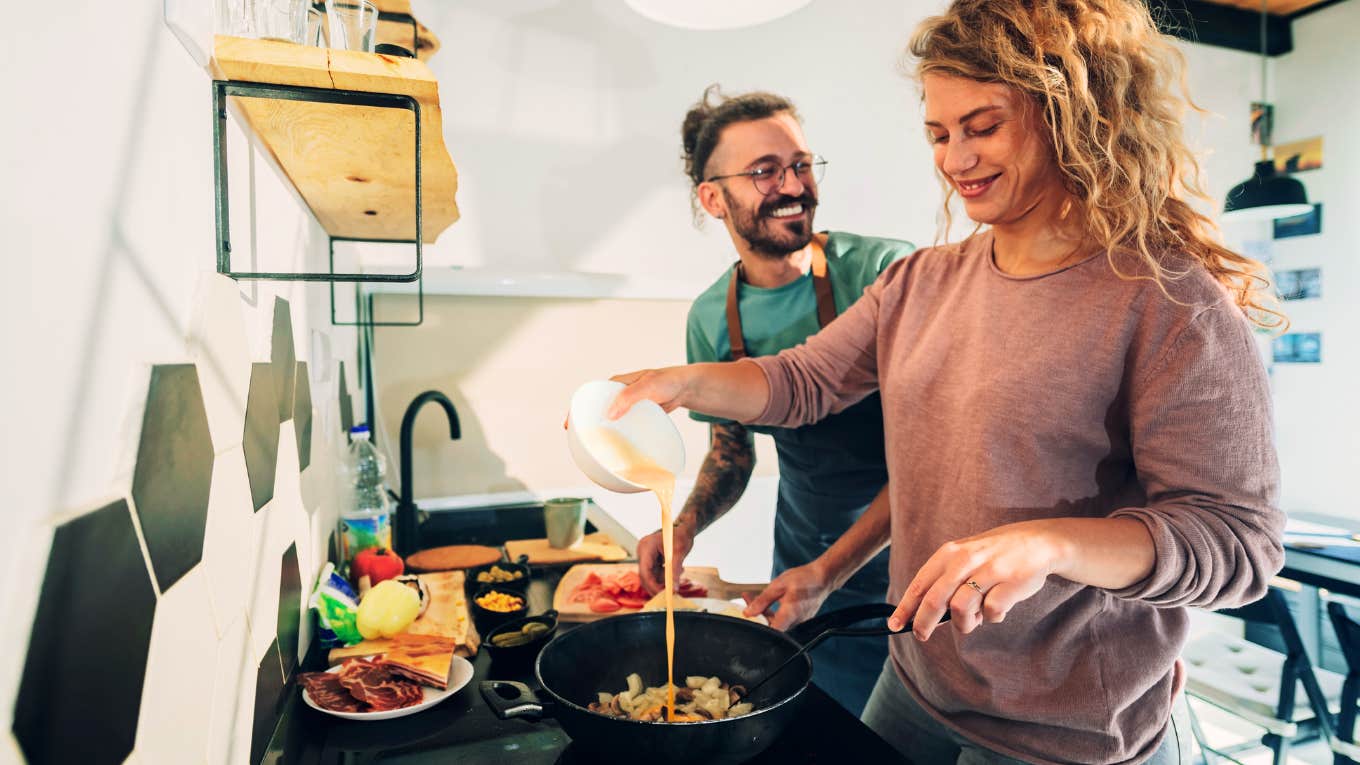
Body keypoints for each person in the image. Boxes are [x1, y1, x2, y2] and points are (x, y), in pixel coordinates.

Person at [607, 1, 1286, 762]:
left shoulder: (1166, 298)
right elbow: (802, 381)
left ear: (1073, 115)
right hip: (917, 682)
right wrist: (676, 382)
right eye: (938, 133)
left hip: (1066, 729)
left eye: (983, 126)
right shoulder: (922, 282)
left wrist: (1052, 544)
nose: (954, 158)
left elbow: (1239, 544)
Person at [631, 85, 915, 716]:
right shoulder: (712, 317)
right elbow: (731, 455)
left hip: (909, 565)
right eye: (764, 171)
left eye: (802, 164)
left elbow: (932, 460)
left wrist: (833, 570)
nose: (793, 185)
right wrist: (683, 527)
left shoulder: (884, 273)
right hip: (799, 566)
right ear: (712, 197)